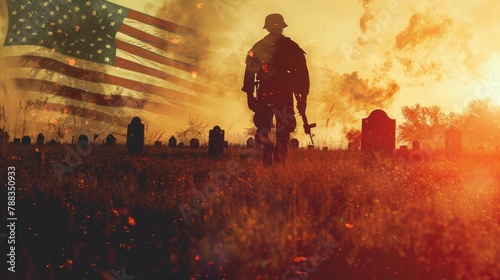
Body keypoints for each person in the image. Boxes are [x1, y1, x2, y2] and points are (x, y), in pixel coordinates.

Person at [242, 13, 310, 165]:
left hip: (267, 93)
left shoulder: (259, 47)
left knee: (267, 128)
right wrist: (303, 99)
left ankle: (272, 157)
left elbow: (249, 73)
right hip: (282, 94)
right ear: (282, 27)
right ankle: (278, 161)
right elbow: (303, 76)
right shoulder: (291, 47)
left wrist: (250, 95)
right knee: (279, 129)